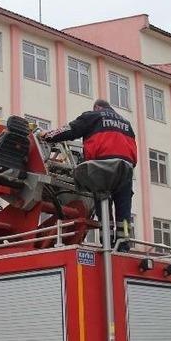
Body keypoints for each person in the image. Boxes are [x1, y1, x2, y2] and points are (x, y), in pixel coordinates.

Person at [40, 99, 137, 244]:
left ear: (97, 107)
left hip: (101, 166)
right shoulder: (126, 124)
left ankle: (107, 242)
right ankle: (124, 243)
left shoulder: (93, 116)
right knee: (124, 210)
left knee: (103, 203)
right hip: (125, 168)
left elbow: (70, 131)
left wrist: (47, 136)